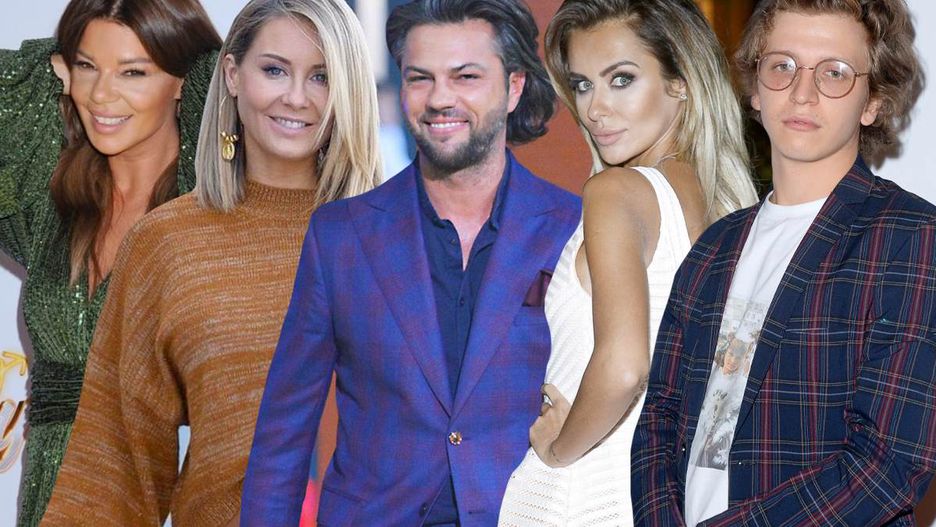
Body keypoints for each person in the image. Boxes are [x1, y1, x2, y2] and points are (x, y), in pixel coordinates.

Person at [39, 0, 381, 525]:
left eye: (322, 77)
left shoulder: (399, 241)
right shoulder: (168, 243)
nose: (297, 97)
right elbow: (116, 469)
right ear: (233, 75)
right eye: (274, 70)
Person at [240, 0, 581, 524]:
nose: (440, 98)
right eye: (420, 78)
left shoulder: (572, 227)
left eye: (465, 76)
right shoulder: (341, 236)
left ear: (513, 88)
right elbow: (284, 433)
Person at [631, 0, 935, 525]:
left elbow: (890, 464)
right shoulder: (714, 248)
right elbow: (659, 418)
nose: (802, 92)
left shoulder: (911, 237)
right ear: (755, 88)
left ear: (873, 101)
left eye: (834, 73)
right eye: (782, 66)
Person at [498, 1, 757, 525]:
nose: (595, 109)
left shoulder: (615, 192)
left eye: (621, 79)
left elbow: (624, 367)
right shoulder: (734, 214)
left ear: (680, 82)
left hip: (580, 495)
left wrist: (558, 449)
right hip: (671, 500)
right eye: (583, 84)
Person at [0, 1, 220, 525]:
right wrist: (53, 61)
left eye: (133, 72)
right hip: (50, 501)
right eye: (86, 66)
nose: (100, 95)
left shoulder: (215, 213)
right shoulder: (46, 204)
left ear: (184, 80)